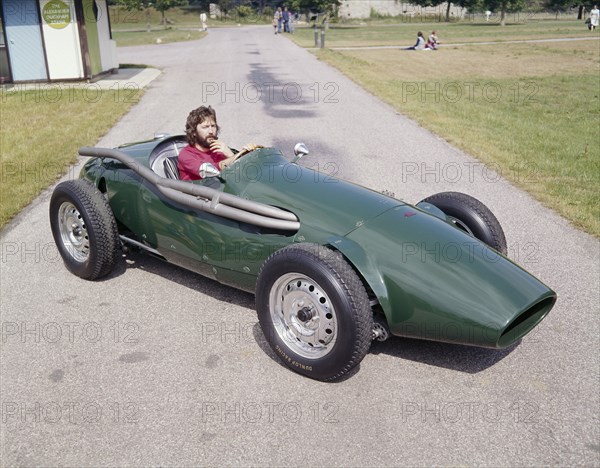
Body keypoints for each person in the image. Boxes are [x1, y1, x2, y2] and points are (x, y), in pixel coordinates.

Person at [178, 106, 249, 181]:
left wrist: (230, 154)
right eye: (205, 127)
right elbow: (209, 171)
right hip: (199, 191)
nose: (211, 131)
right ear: (194, 132)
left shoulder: (220, 149)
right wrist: (235, 157)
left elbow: (241, 172)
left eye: (213, 126)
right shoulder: (186, 155)